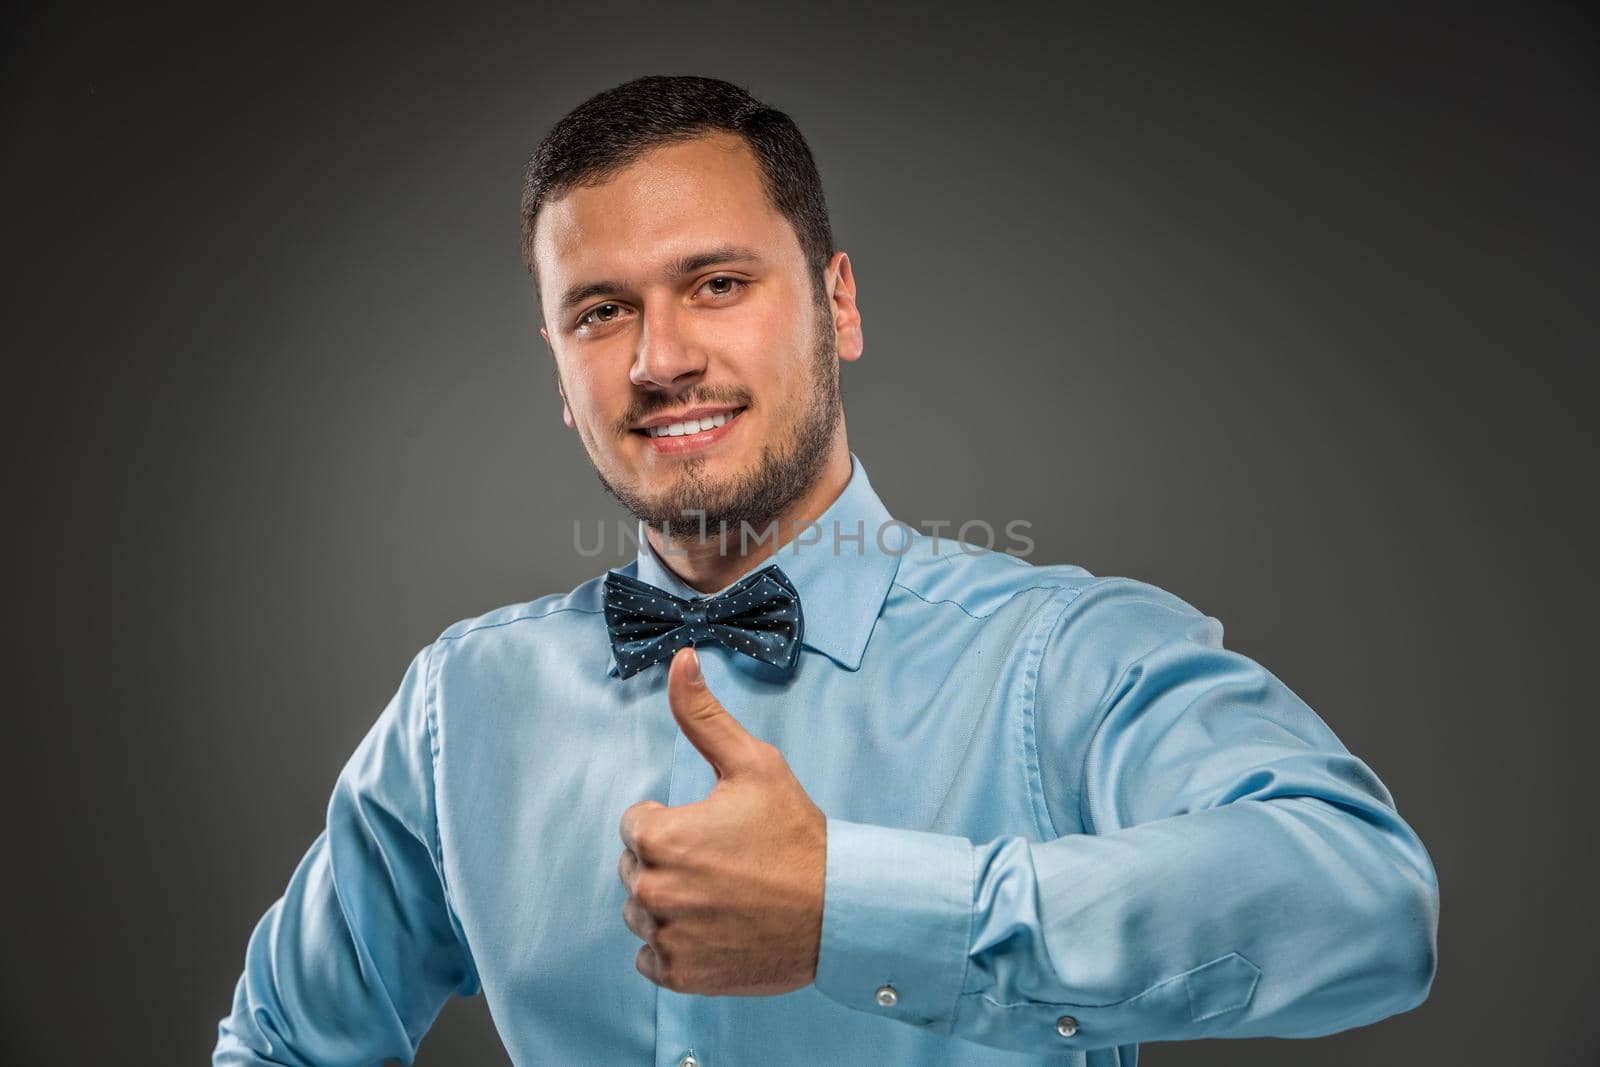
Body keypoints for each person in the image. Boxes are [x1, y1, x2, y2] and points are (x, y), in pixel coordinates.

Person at [214, 75, 1438, 1066]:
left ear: (836, 304)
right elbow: (274, 1045)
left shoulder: (1064, 654)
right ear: (558, 367)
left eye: (717, 283)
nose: (660, 357)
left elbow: (1370, 901)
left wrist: (852, 907)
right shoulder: (457, 706)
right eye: (599, 311)